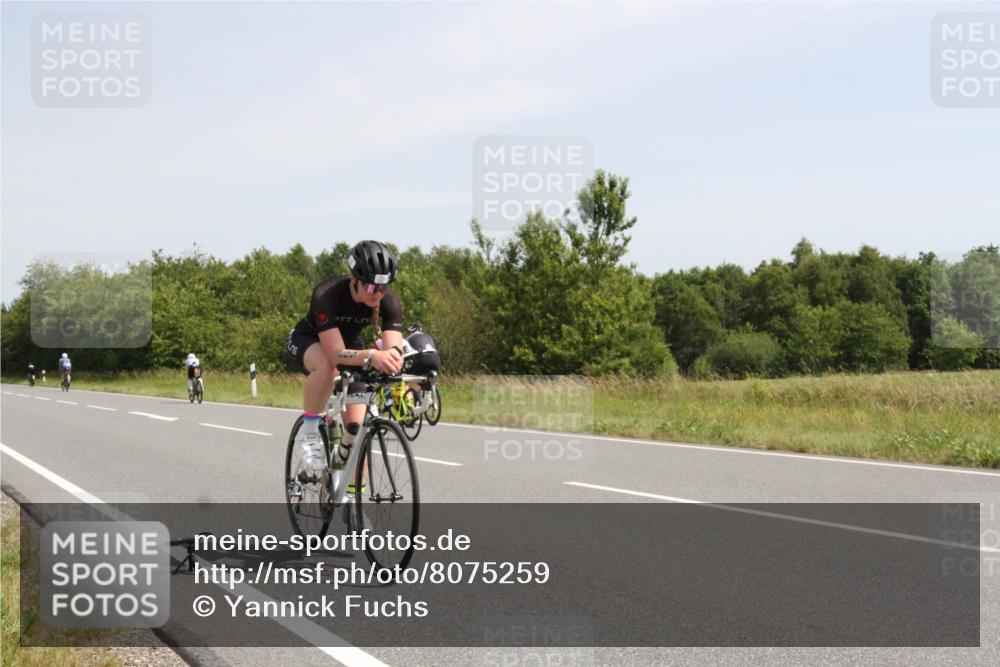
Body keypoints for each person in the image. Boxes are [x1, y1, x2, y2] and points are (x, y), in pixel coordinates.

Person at [286, 240, 405, 473]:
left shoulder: (389, 301)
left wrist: (393, 358)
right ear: (354, 280)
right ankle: (309, 432)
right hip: (310, 341)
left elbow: (393, 348)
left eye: (383, 287)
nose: (378, 294)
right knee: (328, 367)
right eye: (371, 288)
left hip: (353, 346)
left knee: (357, 430)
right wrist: (372, 356)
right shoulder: (327, 295)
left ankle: (350, 499)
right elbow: (336, 355)